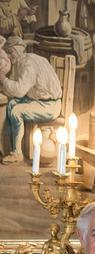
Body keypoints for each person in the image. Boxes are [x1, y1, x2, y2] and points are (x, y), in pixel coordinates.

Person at [1, 36, 61, 165]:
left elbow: (19, 90)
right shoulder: (22, 61)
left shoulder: (28, 64)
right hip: (39, 100)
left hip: (50, 105)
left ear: (18, 50)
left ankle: (17, 154)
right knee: (11, 104)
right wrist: (5, 82)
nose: (9, 57)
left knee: (16, 112)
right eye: (7, 53)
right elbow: (15, 89)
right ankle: (10, 148)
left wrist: (3, 79)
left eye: (10, 52)